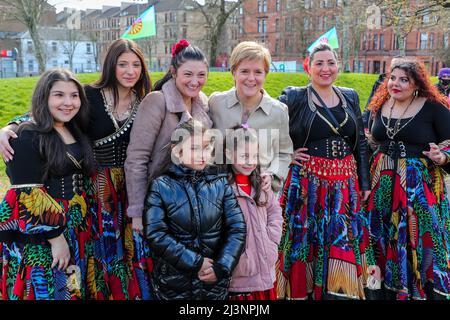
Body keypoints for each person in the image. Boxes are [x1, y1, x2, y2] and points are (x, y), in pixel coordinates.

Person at [0, 39, 153, 300]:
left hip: (128, 189)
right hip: (94, 188)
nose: (130, 70)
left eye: (136, 64)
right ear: (110, 66)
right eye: (122, 64)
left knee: (122, 252)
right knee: (90, 254)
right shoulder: (88, 95)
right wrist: (12, 125)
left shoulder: (148, 101)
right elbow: (47, 110)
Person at [277, 43, 376, 300]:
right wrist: (287, 155)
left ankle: (339, 290)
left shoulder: (351, 96)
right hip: (309, 185)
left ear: (338, 65)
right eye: (319, 63)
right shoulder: (295, 97)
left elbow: (361, 144)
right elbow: (270, 130)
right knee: (307, 238)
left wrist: (364, 182)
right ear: (308, 66)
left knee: (342, 239)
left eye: (330, 63)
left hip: (346, 183)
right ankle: (305, 291)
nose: (325, 69)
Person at [0, 69, 95, 299]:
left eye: (74, 96)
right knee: (49, 288)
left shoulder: (74, 129)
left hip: (76, 226)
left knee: (73, 288)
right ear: (44, 97)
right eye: (59, 95)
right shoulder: (25, 136)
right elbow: (28, 194)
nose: (68, 102)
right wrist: (57, 238)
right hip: (43, 232)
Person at [366, 58, 450, 300]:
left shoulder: (434, 106)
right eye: (393, 78)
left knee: (420, 241)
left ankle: (421, 292)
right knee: (380, 238)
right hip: (381, 184)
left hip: (418, 188)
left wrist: (442, 157)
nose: (396, 84)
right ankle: (382, 291)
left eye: (404, 80)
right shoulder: (381, 103)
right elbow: (372, 140)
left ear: (417, 84)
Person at [143, 119, 246, 300]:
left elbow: (237, 228)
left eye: (206, 148)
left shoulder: (220, 184)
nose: (202, 155)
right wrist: (195, 262)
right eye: (194, 148)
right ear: (177, 150)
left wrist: (222, 266)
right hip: (173, 285)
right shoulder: (161, 186)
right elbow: (156, 233)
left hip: (214, 285)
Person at [125, 39, 212, 233]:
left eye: (201, 75)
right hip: (158, 202)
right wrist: (138, 212)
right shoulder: (157, 101)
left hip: (193, 203)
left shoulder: (203, 103)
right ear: (173, 72)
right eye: (188, 74)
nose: (195, 81)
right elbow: (137, 158)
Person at [208, 41, 293, 192]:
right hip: (220, 195)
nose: (251, 78)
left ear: (266, 74)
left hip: (259, 196)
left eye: (258, 72)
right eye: (245, 71)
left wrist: (272, 174)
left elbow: (284, 153)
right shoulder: (216, 103)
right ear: (233, 72)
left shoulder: (278, 112)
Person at [225, 125, 282, 300]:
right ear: (228, 154)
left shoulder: (262, 185)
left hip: (265, 269)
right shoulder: (223, 190)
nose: (250, 162)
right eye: (244, 156)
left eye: (255, 156)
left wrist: (271, 237)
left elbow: (274, 211)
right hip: (241, 275)